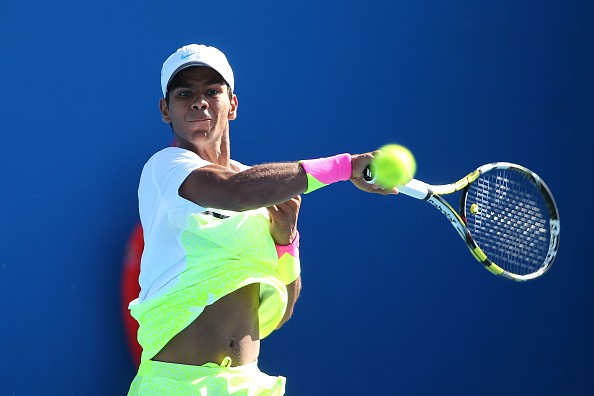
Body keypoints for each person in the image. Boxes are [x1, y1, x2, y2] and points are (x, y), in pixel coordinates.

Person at [127, 44, 396, 395]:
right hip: (176, 387)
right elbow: (235, 192)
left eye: (212, 91)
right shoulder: (165, 168)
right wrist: (345, 167)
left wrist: (286, 242)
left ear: (232, 105)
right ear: (166, 110)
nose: (199, 101)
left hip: (249, 386)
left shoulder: (260, 192)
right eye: (184, 93)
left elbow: (278, 312)